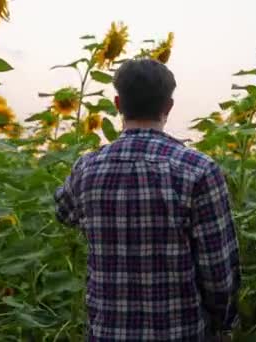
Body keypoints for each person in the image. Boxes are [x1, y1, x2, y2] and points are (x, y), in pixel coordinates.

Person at [54, 58, 240, 341]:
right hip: (181, 332)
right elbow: (219, 272)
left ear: (118, 104)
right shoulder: (199, 169)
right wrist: (223, 323)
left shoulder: (87, 168)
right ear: (168, 107)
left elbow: (64, 213)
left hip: (107, 332)